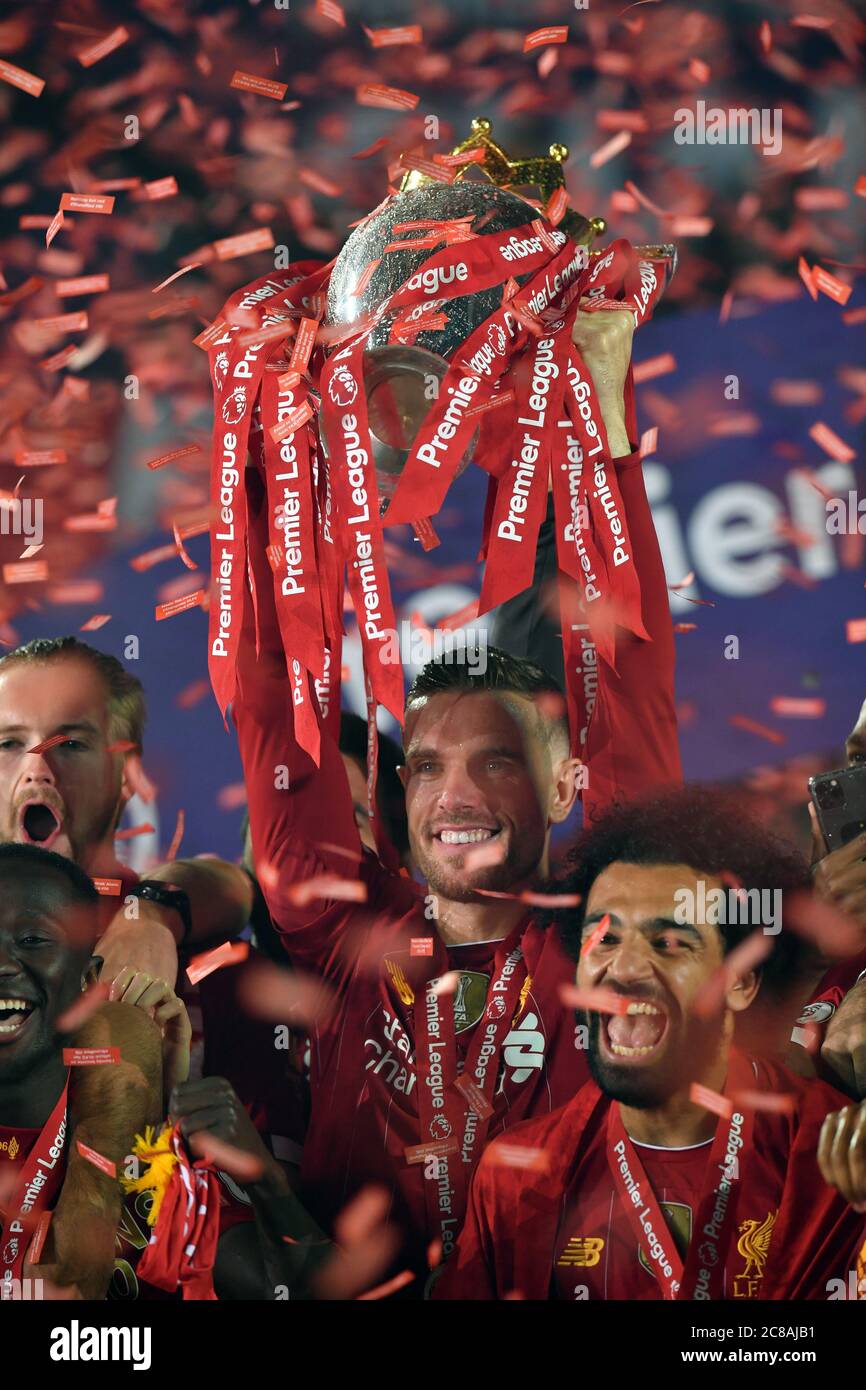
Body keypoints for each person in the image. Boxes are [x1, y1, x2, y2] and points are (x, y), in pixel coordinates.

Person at [232, 307, 682, 1280]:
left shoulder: (600, 939)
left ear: (566, 783)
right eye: (428, 764)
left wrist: (598, 412)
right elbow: (270, 696)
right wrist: (270, 454)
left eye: (499, 758)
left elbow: (630, 668)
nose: (457, 791)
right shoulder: (342, 939)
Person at [434, 790, 866, 1300]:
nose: (625, 969)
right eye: (605, 939)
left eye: (669, 943)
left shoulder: (836, 1157)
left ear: (741, 981)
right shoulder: (516, 1175)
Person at [0, 636, 254, 988]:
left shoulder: (209, 973)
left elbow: (239, 888)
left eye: (71, 744)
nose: (38, 768)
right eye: (9, 743)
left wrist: (153, 912)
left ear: (127, 775)